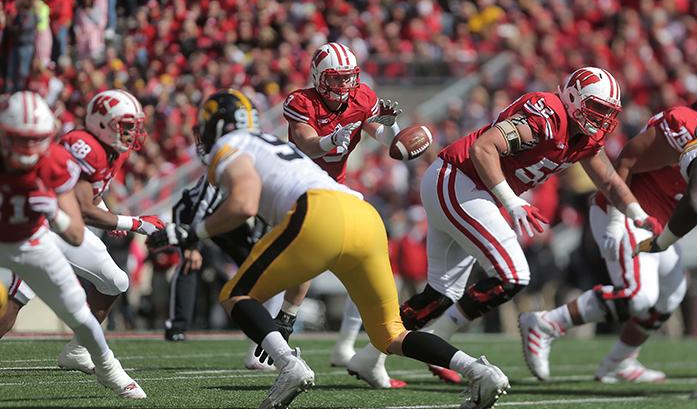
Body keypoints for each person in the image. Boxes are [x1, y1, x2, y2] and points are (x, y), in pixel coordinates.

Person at [147, 89, 510, 409]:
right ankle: (477, 371)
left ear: (216, 126)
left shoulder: (233, 146)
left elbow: (242, 204)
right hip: (365, 218)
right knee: (390, 335)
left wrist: (189, 233)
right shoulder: (266, 143)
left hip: (319, 213)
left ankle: (288, 365)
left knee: (236, 294)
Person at [400, 67, 661, 384]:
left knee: (441, 294)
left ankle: (370, 355)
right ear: (573, 97)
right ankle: (438, 343)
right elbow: (483, 148)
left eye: (607, 112)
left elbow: (609, 181)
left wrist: (637, 213)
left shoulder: (581, 136)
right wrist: (513, 203)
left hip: (471, 190)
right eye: (596, 108)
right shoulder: (547, 113)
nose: (601, 119)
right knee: (513, 274)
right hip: (460, 180)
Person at [519, 105, 696, 382]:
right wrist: (616, 218)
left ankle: (619, 363)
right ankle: (546, 323)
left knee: (670, 296)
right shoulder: (684, 124)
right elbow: (626, 161)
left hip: (660, 226)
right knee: (640, 296)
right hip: (631, 212)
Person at [0, 90, 165, 375]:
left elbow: (92, 194)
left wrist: (109, 215)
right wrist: (131, 222)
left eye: (133, 126)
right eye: (126, 126)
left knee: (115, 281)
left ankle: (77, 351)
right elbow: (83, 207)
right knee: (15, 300)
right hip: (42, 225)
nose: (132, 133)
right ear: (103, 123)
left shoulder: (112, 150)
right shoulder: (83, 146)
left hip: (70, 227)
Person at [282, 41, 405, 388]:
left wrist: (391, 125)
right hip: (298, 184)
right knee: (297, 260)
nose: (345, 87)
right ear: (319, 78)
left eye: (349, 78)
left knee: (368, 255)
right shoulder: (300, 101)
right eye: (337, 80)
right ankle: (276, 329)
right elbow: (306, 142)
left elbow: (386, 141)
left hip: (335, 186)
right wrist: (330, 138)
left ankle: (345, 344)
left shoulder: (361, 97)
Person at [163, 172, 284, 370]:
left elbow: (260, 224)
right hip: (193, 215)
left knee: (265, 272)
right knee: (190, 263)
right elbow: (198, 207)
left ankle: (261, 344)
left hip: (229, 218)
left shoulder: (267, 191)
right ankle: (177, 327)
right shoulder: (225, 176)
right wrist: (191, 244)